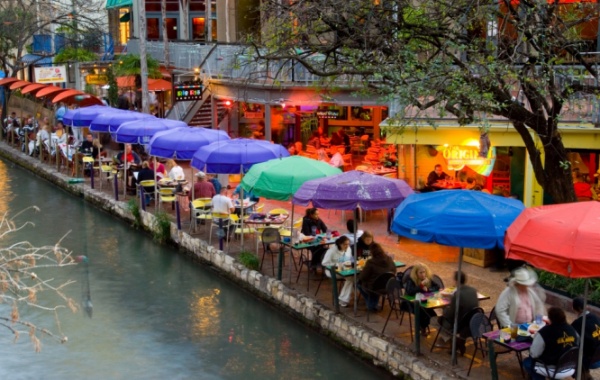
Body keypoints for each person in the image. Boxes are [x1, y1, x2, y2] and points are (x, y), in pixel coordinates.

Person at [523, 307, 579, 380]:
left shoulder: (544, 332)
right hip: (570, 367)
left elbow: (534, 354)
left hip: (550, 368)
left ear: (550, 318)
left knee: (527, 363)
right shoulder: (572, 330)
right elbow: (577, 346)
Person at [438, 271, 479, 355]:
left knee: (438, 320)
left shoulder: (458, 294)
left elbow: (450, 315)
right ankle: (457, 342)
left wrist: (444, 308)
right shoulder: (473, 290)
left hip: (460, 323)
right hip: (473, 321)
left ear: (456, 281)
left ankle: (453, 343)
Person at [404, 263, 441, 335]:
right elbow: (410, 291)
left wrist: (428, 289)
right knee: (422, 312)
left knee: (432, 314)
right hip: (411, 303)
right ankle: (422, 328)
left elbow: (437, 286)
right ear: (416, 273)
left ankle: (426, 326)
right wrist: (420, 286)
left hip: (425, 302)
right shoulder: (411, 280)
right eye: (420, 272)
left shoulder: (427, 279)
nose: (423, 274)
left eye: (424, 272)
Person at [357, 243, 396, 311]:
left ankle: (371, 303)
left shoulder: (370, 262)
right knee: (374, 283)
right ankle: (372, 301)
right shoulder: (389, 259)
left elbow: (363, 277)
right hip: (388, 286)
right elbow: (394, 271)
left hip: (374, 288)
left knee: (358, 283)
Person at [321, 236, 354, 307]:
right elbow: (324, 263)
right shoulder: (331, 251)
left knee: (353, 277)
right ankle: (343, 300)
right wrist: (336, 265)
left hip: (345, 270)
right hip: (331, 271)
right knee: (351, 278)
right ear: (340, 244)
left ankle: (343, 298)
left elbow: (350, 259)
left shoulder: (348, 249)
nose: (347, 246)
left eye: (348, 244)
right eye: (345, 244)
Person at [572, 297, 600, 379]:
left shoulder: (577, 324)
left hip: (590, 360)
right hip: (598, 357)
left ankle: (582, 375)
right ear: (586, 306)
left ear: (574, 308)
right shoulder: (596, 317)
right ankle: (585, 374)